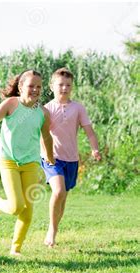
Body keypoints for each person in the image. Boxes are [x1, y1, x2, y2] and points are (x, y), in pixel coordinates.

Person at [0, 70, 55, 256]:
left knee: (27, 211)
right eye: (31, 86)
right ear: (21, 88)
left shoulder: (43, 113)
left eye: (39, 86)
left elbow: (46, 137)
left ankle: (15, 249)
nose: (35, 89)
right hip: (8, 160)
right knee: (15, 206)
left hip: (31, 163)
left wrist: (50, 158)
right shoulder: (11, 104)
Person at [41, 68, 101, 247]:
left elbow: (89, 132)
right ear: (52, 86)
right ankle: (51, 230)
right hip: (52, 157)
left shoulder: (78, 108)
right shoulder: (46, 109)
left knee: (63, 197)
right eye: (60, 85)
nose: (64, 88)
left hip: (72, 159)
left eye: (68, 85)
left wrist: (94, 149)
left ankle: (55, 229)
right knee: (58, 191)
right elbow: (40, 134)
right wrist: (46, 154)